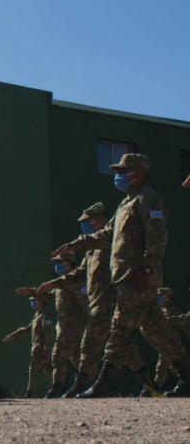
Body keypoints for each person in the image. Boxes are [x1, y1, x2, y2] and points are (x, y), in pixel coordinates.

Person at [53, 154, 190, 398]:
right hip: (127, 277)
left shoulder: (150, 199)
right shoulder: (126, 203)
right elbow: (107, 234)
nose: (118, 175)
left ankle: (103, 384)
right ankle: (188, 379)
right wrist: (75, 245)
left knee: (119, 328)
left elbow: (157, 237)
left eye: (123, 170)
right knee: (158, 332)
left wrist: (147, 270)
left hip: (138, 277)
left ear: (137, 173)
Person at [37, 202, 146, 397]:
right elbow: (79, 273)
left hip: (109, 298)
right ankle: (148, 381)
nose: (85, 226)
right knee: (121, 345)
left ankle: (81, 384)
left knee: (90, 342)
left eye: (87, 222)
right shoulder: (91, 247)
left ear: (99, 219)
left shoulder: (110, 238)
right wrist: (54, 283)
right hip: (97, 300)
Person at [43, 254, 88, 398]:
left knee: (58, 355)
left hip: (74, 326)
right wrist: (33, 292)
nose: (57, 266)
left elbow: (85, 304)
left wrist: (88, 323)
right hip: (63, 326)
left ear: (69, 264)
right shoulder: (60, 284)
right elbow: (50, 296)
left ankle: (56, 388)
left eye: (59, 262)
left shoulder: (75, 282)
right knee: (75, 357)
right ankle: (92, 380)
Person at [2, 294, 54, 398]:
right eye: (32, 300)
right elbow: (27, 329)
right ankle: (60, 387)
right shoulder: (37, 316)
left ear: (42, 302)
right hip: (37, 348)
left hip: (41, 349)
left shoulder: (45, 316)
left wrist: (47, 350)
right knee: (47, 370)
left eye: (35, 300)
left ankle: (29, 394)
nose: (33, 303)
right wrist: (12, 335)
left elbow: (48, 335)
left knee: (34, 369)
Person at [153, 287, 189, 388]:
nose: (159, 298)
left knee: (162, 367)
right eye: (158, 296)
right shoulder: (159, 310)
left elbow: (184, 325)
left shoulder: (174, 310)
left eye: (162, 296)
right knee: (175, 368)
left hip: (172, 344)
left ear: (168, 297)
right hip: (163, 343)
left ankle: (154, 388)